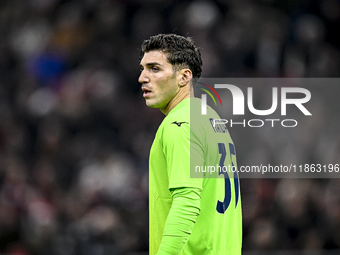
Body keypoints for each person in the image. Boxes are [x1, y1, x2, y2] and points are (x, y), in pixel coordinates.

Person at [138, 34, 242, 255]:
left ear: (184, 77)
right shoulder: (211, 120)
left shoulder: (179, 124)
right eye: (143, 69)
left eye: (154, 68)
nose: (142, 77)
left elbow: (186, 202)